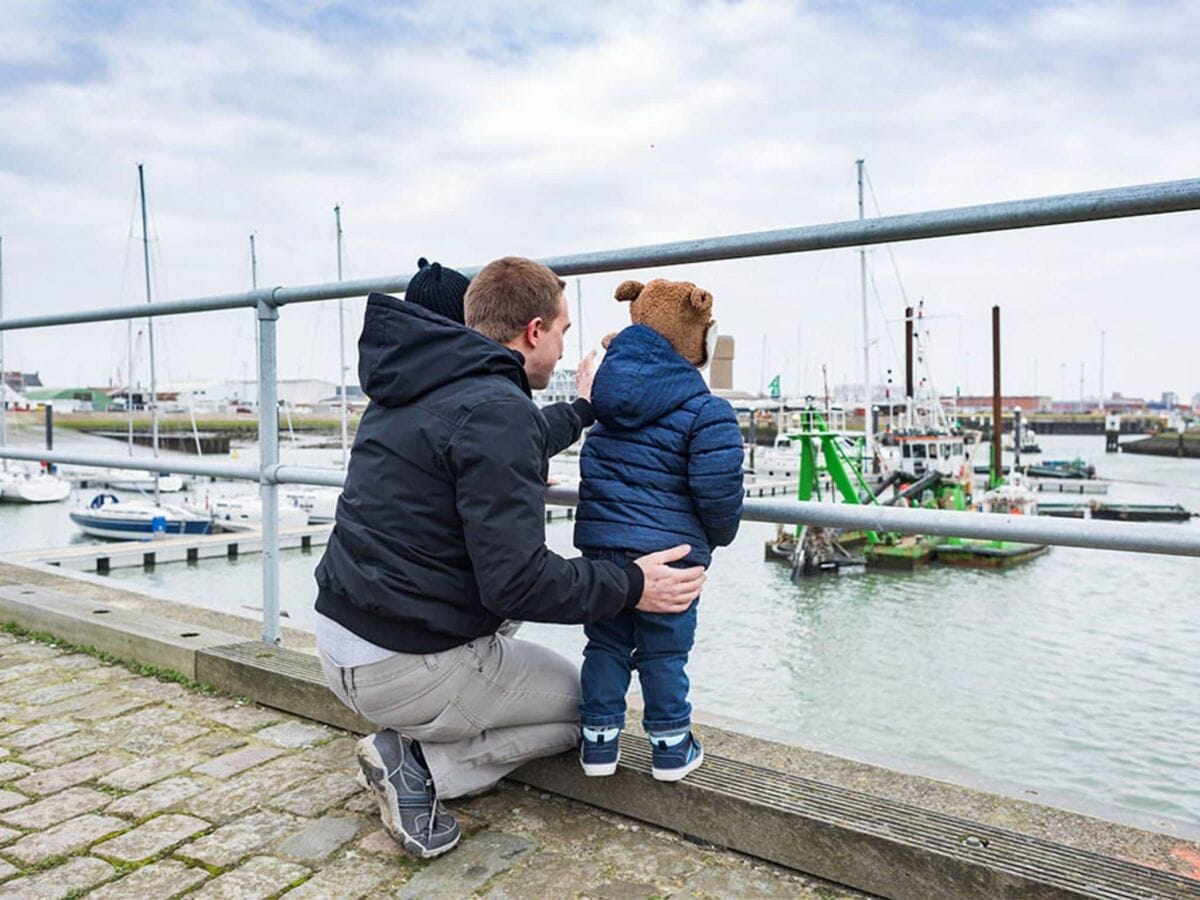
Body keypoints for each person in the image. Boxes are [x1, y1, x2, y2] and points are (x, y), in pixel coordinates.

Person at [313, 256, 707, 859]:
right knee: (590, 711)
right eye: (563, 333)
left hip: (342, 640)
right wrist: (631, 584)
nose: (564, 347)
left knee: (515, 621)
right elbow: (517, 584)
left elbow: (507, 435)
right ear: (533, 331)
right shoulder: (496, 412)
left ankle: (425, 723)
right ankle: (419, 765)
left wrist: (584, 410)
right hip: (401, 666)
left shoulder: (419, 382)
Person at [573, 278, 744, 782]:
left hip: (606, 555)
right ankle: (671, 747)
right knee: (664, 652)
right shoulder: (707, 411)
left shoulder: (602, 410)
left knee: (604, 645)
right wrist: (715, 539)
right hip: (673, 555)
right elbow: (718, 492)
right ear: (695, 337)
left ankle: (598, 744)